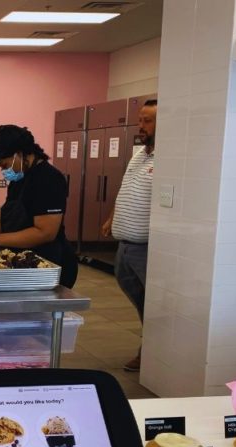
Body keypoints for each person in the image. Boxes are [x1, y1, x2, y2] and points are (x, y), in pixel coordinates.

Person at [0, 125, 78, 288]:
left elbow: (45, 232)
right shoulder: (19, 180)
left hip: (47, 264)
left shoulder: (49, 179)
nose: (4, 171)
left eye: (4, 165)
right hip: (21, 260)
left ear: (20, 153)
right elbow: (9, 220)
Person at [101, 99, 157, 373]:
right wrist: (113, 217)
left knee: (154, 304)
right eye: (141, 119)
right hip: (125, 243)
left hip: (147, 248)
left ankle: (151, 350)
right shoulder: (140, 154)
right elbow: (127, 188)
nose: (141, 126)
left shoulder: (170, 159)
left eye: (148, 120)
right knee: (138, 297)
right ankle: (152, 345)